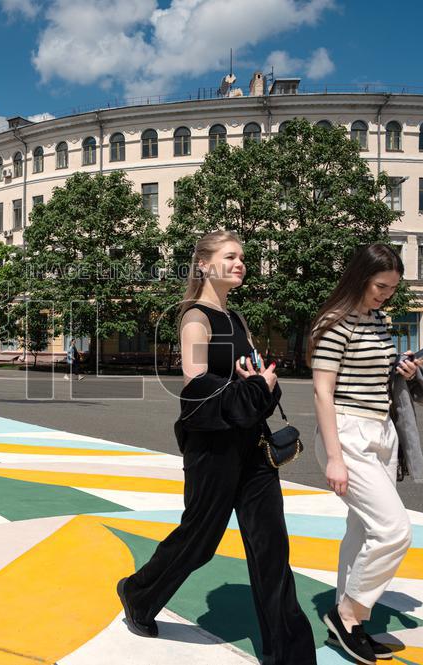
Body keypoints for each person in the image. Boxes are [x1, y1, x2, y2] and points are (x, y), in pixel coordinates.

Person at [116, 230, 316, 665]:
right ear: (204, 264)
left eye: (242, 256)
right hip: (213, 448)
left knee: (271, 548)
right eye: (230, 256)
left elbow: (249, 376)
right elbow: (196, 382)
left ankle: (290, 655)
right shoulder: (196, 317)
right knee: (199, 540)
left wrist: (261, 383)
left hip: (253, 443)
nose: (240, 262)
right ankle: (138, 593)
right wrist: (250, 387)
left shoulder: (238, 319)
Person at [309, 243, 418, 664]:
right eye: (380, 286)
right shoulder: (333, 322)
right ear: (360, 277)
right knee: (394, 530)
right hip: (347, 431)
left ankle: (349, 623)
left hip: (382, 430)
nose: (386, 294)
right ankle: (348, 613)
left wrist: (400, 368)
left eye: (392, 288)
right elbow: (322, 391)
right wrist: (334, 457)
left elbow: (371, 370)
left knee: (362, 529)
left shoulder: (379, 319)